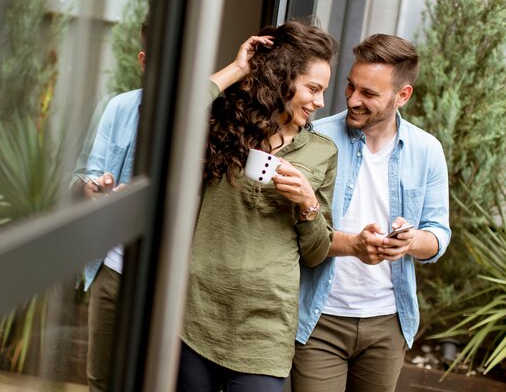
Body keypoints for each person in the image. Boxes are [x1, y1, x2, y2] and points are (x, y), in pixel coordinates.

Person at [177, 20, 339, 392]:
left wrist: (308, 203)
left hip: (265, 326)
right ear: (283, 78)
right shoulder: (227, 124)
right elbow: (173, 111)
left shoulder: (322, 152)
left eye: (323, 91)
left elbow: (317, 252)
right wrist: (238, 68)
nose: (320, 102)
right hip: (197, 310)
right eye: (313, 88)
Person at [291, 34, 451, 392]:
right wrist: (354, 244)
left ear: (402, 96)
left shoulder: (427, 150)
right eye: (351, 86)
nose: (352, 100)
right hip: (320, 318)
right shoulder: (315, 136)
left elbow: (438, 234)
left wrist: (410, 242)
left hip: (388, 323)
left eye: (368, 94)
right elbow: (292, 231)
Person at [71, 20, 148, 392]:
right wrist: (94, 188)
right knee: (99, 382)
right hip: (112, 268)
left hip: (164, 279)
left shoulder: (206, 117)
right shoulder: (118, 108)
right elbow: (83, 176)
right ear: (143, 61)